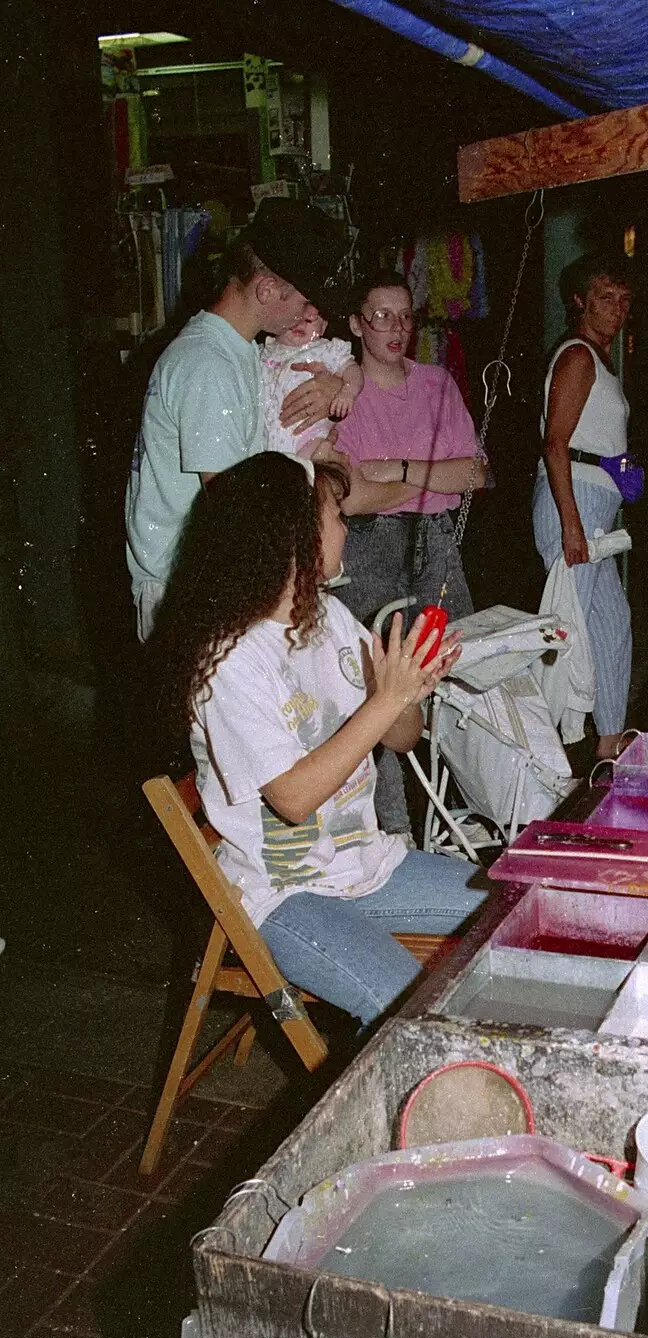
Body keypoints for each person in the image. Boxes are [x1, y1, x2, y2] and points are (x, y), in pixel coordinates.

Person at [157, 451, 486, 1024]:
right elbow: (292, 798)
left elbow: (405, 738)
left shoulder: (329, 617)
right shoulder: (233, 659)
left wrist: (407, 690)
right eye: (336, 515)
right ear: (295, 541)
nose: (346, 527)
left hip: (365, 865)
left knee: (515, 907)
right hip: (284, 895)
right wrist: (383, 700)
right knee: (415, 1014)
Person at [125, 197, 361, 641]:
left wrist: (336, 387)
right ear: (268, 290)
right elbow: (234, 502)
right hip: (187, 591)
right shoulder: (207, 365)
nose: (305, 315)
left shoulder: (242, 351)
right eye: (302, 300)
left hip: (210, 579)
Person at [331, 269, 488, 833]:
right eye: (380, 316)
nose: (395, 329)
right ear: (355, 324)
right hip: (368, 547)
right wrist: (431, 479)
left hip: (435, 543)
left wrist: (395, 471)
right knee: (380, 690)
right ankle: (390, 832)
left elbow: (475, 472)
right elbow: (349, 499)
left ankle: (468, 813)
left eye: (404, 316)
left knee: (458, 675)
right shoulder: (341, 393)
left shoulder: (437, 384)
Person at [533, 251, 634, 762]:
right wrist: (573, 526)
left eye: (622, 299)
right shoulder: (577, 356)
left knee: (611, 630)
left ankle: (609, 750)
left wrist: (624, 474)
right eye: (604, 299)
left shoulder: (601, 359)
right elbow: (557, 444)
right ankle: (540, 753)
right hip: (572, 503)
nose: (617, 308)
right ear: (579, 303)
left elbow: (593, 444)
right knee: (564, 637)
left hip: (595, 501)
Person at [262, 306, 360, 458]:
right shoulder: (265, 352)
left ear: (323, 327)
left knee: (307, 466)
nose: (300, 324)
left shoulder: (325, 350)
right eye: (294, 317)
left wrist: (348, 391)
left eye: (309, 320)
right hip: (267, 438)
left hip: (307, 435)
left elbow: (353, 370)